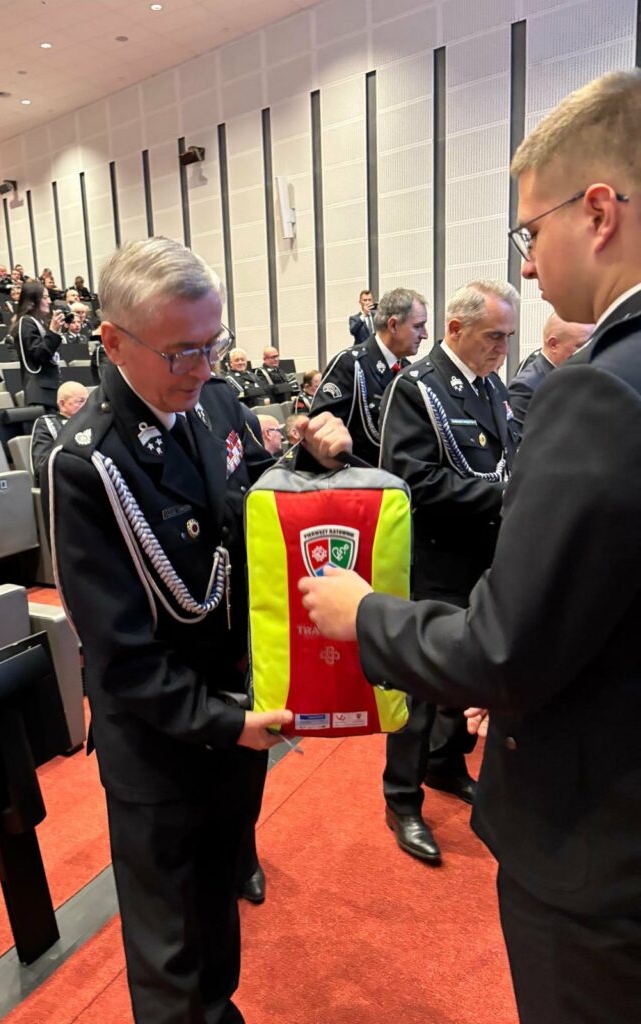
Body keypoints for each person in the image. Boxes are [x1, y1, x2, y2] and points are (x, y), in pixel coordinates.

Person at [298, 68, 641, 1024]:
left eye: (531, 233)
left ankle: (438, 770)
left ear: (598, 212)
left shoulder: (598, 386)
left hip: (598, 842)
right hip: (459, 571)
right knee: (421, 722)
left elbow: (503, 652)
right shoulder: (429, 385)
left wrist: (363, 614)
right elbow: (428, 477)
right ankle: (410, 789)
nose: (528, 267)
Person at [44, 236, 351, 1024]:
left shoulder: (212, 401)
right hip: (163, 742)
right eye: (182, 351)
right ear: (114, 342)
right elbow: (120, 657)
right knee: (172, 947)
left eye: (214, 344)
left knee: (216, 907)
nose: (204, 367)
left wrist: (311, 464)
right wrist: (224, 722)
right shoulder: (89, 464)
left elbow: (249, 511)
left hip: (234, 711)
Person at [374, 280, 520, 863]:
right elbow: (410, 478)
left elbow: (505, 457)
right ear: (455, 329)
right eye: (493, 337)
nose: (503, 349)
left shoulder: (491, 387)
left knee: (467, 673)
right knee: (419, 687)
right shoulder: (418, 389)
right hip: (435, 561)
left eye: (508, 338)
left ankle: (446, 763)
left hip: (484, 558)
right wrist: (504, 499)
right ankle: (401, 799)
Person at [311, 287, 428, 466]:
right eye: (418, 326)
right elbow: (319, 435)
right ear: (393, 325)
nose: (425, 334)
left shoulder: (406, 370)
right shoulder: (351, 365)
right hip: (360, 477)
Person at [507, 313, 593, 426]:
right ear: (553, 345)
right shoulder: (526, 387)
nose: (587, 353)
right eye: (580, 346)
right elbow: (521, 435)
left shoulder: (576, 378)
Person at [10, 281, 65, 412]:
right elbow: (40, 355)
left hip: (48, 390)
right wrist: (53, 332)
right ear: (32, 301)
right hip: (40, 394)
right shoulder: (26, 322)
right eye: (45, 297)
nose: (49, 301)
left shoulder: (39, 323)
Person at [30, 381, 88, 484]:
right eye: (80, 402)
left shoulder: (92, 422)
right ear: (62, 404)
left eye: (87, 402)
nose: (86, 406)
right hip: (65, 484)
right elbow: (42, 468)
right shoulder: (47, 424)